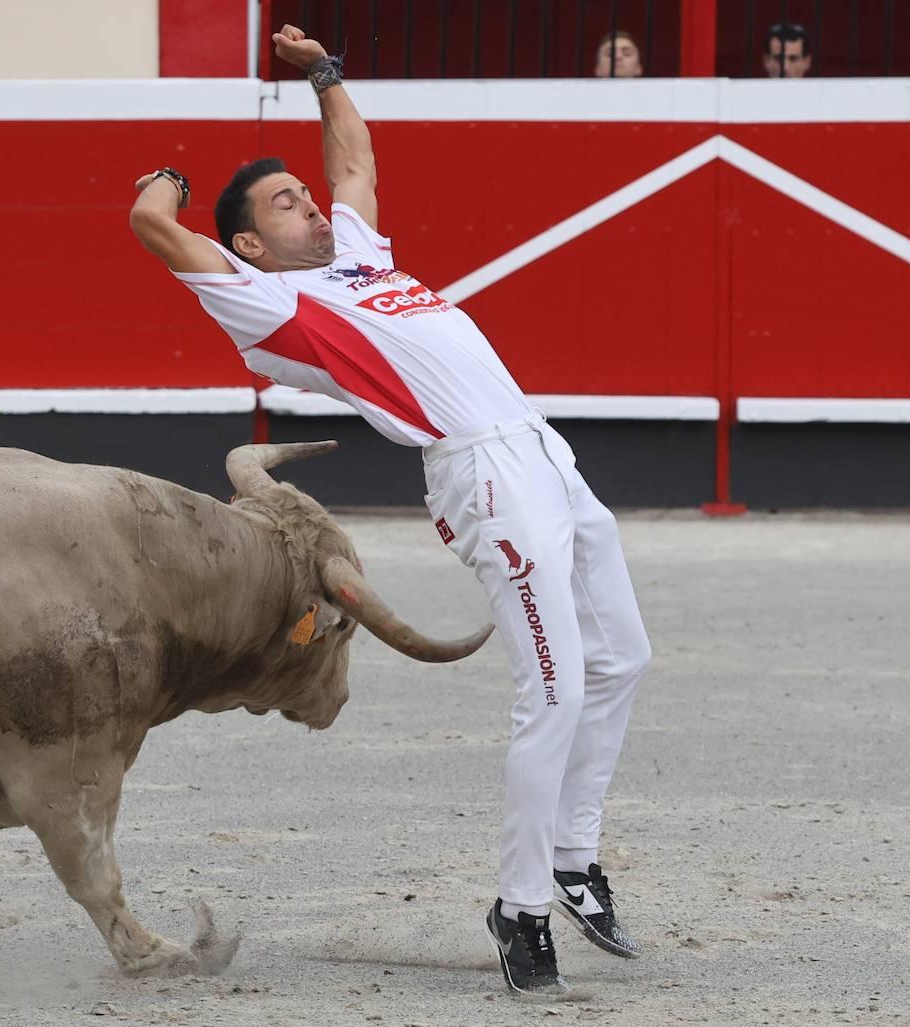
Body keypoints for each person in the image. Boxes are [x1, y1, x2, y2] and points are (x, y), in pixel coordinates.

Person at [129, 24, 651, 995]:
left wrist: (324, 76)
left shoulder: (360, 256)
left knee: (623, 656)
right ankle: (522, 907)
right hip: (483, 472)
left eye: (304, 193)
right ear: (250, 246)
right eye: (285, 203)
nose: (311, 204)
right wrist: (167, 176)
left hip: (543, 451)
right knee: (555, 690)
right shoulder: (266, 301)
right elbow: (155, 225)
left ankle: (573, 860)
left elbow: (356, 163)